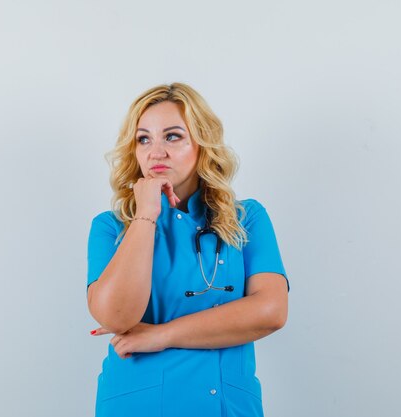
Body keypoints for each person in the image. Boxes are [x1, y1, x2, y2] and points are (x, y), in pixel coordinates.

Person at [86, 82, 289, 417]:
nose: (156, 151)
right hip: (139, 404)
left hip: (228, 405)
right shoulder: (111, 227)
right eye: (144, 139)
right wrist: (146, 215)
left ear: (202, 143)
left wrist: (160, 336)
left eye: (173, 136)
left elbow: (271, 311)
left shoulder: (246, 219)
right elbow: (116, 317)